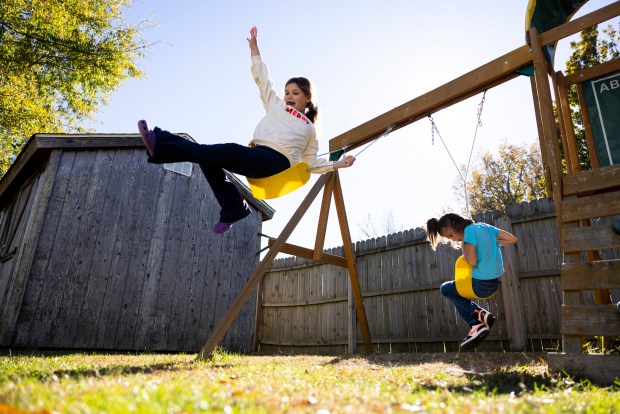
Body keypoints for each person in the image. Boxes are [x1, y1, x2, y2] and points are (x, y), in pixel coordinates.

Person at [138, 26, 356, 234]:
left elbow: (311, 163)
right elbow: (264, 81)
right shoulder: (276, 105)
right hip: (257, 155)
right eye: (287, 92)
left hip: (277, 163)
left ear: (308, 98)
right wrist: (255, 50)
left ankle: (160, 143)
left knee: (228, 150)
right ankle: (233, 207)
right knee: (208, 157)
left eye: (296, 93)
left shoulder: (309, 128)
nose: (289, 96)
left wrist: (338, 164)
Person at [426, 213, 517, 350]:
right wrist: (491, 243)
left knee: (446, 288)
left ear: (453, 224)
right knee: (456, 288)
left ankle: (476, 322)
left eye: (450, 235)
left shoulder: (468, 232)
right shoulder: (485, 227)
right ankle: (480, 316)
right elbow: (512, 239)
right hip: (494, 283)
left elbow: (471, 261)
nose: (453, 239)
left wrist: (464, 246)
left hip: (480, 285)